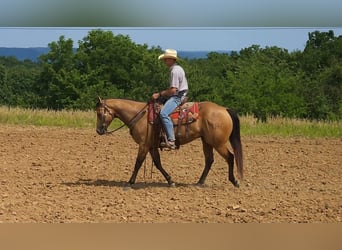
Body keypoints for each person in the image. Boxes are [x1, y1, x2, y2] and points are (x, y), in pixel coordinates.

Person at [152, 49, 188, 150]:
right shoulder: (177, 68)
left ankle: (171, 140)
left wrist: (159, 94)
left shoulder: (174, 71)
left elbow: (173, 90)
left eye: (166, 59)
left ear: (171, 60)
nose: (164, 61)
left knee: (163, 113)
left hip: (178, 96)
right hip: (180, 94)